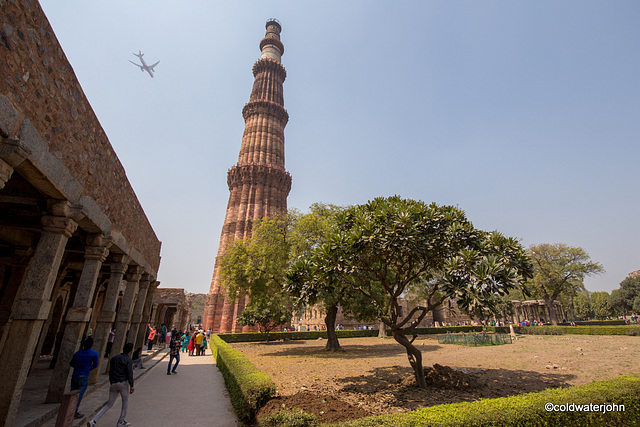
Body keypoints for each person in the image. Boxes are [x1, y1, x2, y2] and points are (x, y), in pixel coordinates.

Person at [87, 343, 135, 427]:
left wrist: (112, 381)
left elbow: (111, 371)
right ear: (131, 350)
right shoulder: (128, 360)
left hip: (113, 383)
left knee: (109, 403)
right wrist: (132, 385)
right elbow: (129, 373)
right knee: (125, 402)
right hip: (123, 383)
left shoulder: (114, 359)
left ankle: (93, 420)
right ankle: (121, 421)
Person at [70, 337, 99, 419]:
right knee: (79, 395)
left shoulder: (77, 353)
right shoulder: (94, 353)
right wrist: (88, 368)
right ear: (92, 344)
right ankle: (74, 411)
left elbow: (72, 363)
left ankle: (69, 410)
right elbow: (95, 365)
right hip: (84, 375)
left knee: (72, 393)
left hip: (75, 375)